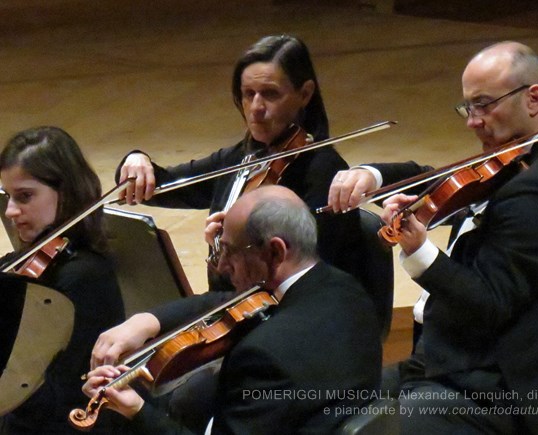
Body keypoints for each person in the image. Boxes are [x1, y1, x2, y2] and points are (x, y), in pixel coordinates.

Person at [334, 41, 538, 433]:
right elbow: (444, 178)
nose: (472, 120)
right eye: (469, 107)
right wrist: (374, 176)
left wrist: (420, 252)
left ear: (533, 98)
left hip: (502, 387)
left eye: (484, 105)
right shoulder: (523, 154)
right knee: (328, 402)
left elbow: (490, 302)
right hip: (448, 357)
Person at [84, 185, 383, 434]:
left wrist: (137, 411)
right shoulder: (349, 290)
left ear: (276, 251)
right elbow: (232, 301)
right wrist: (148, 321)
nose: (223, 266)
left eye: (230, 251)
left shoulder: (263, 357)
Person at [115, 34, 364, 297]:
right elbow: (159, 186)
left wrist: (231, 253)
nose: (256, 107)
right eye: (248, 94)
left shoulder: (324, 172)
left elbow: (309, 275)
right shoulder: (240, 159)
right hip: (232, 306)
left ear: (304, 94)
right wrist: (134, 160)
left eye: (270, 94)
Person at [0, 126, 126, 434]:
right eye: (8, 197)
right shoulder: (21, 266)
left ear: (66, 192)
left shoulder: (82, 278)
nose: (11, 211)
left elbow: (56, 400)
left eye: (25, 197)